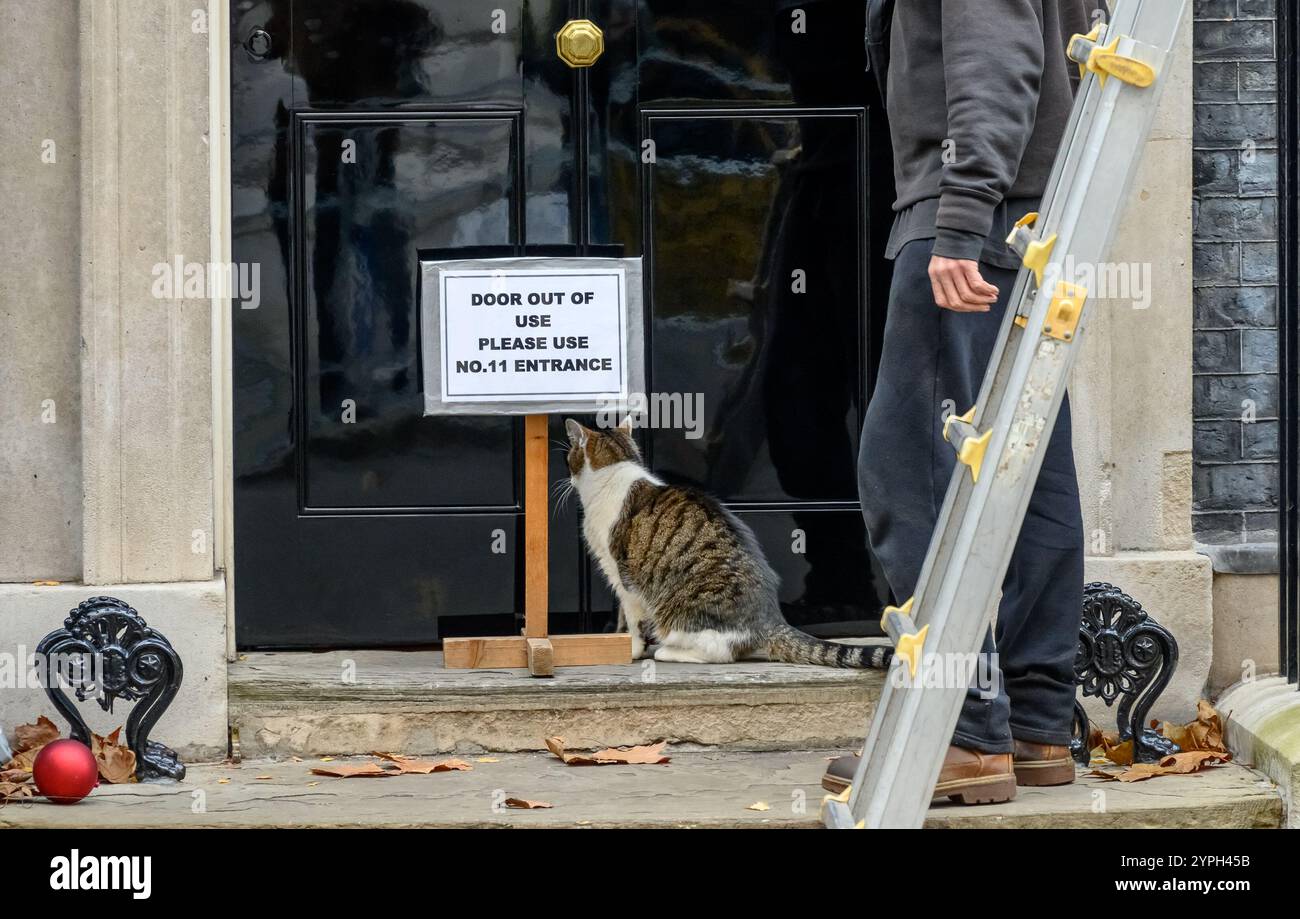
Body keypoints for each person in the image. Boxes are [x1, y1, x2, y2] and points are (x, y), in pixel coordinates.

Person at [823, 0, 1109, 804]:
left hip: (976, 222)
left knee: (908, 466)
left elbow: (997, 54)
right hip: (1026, 215)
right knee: (1030, 465)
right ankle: (1036, 724)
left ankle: (964, 727)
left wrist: (958, 214)